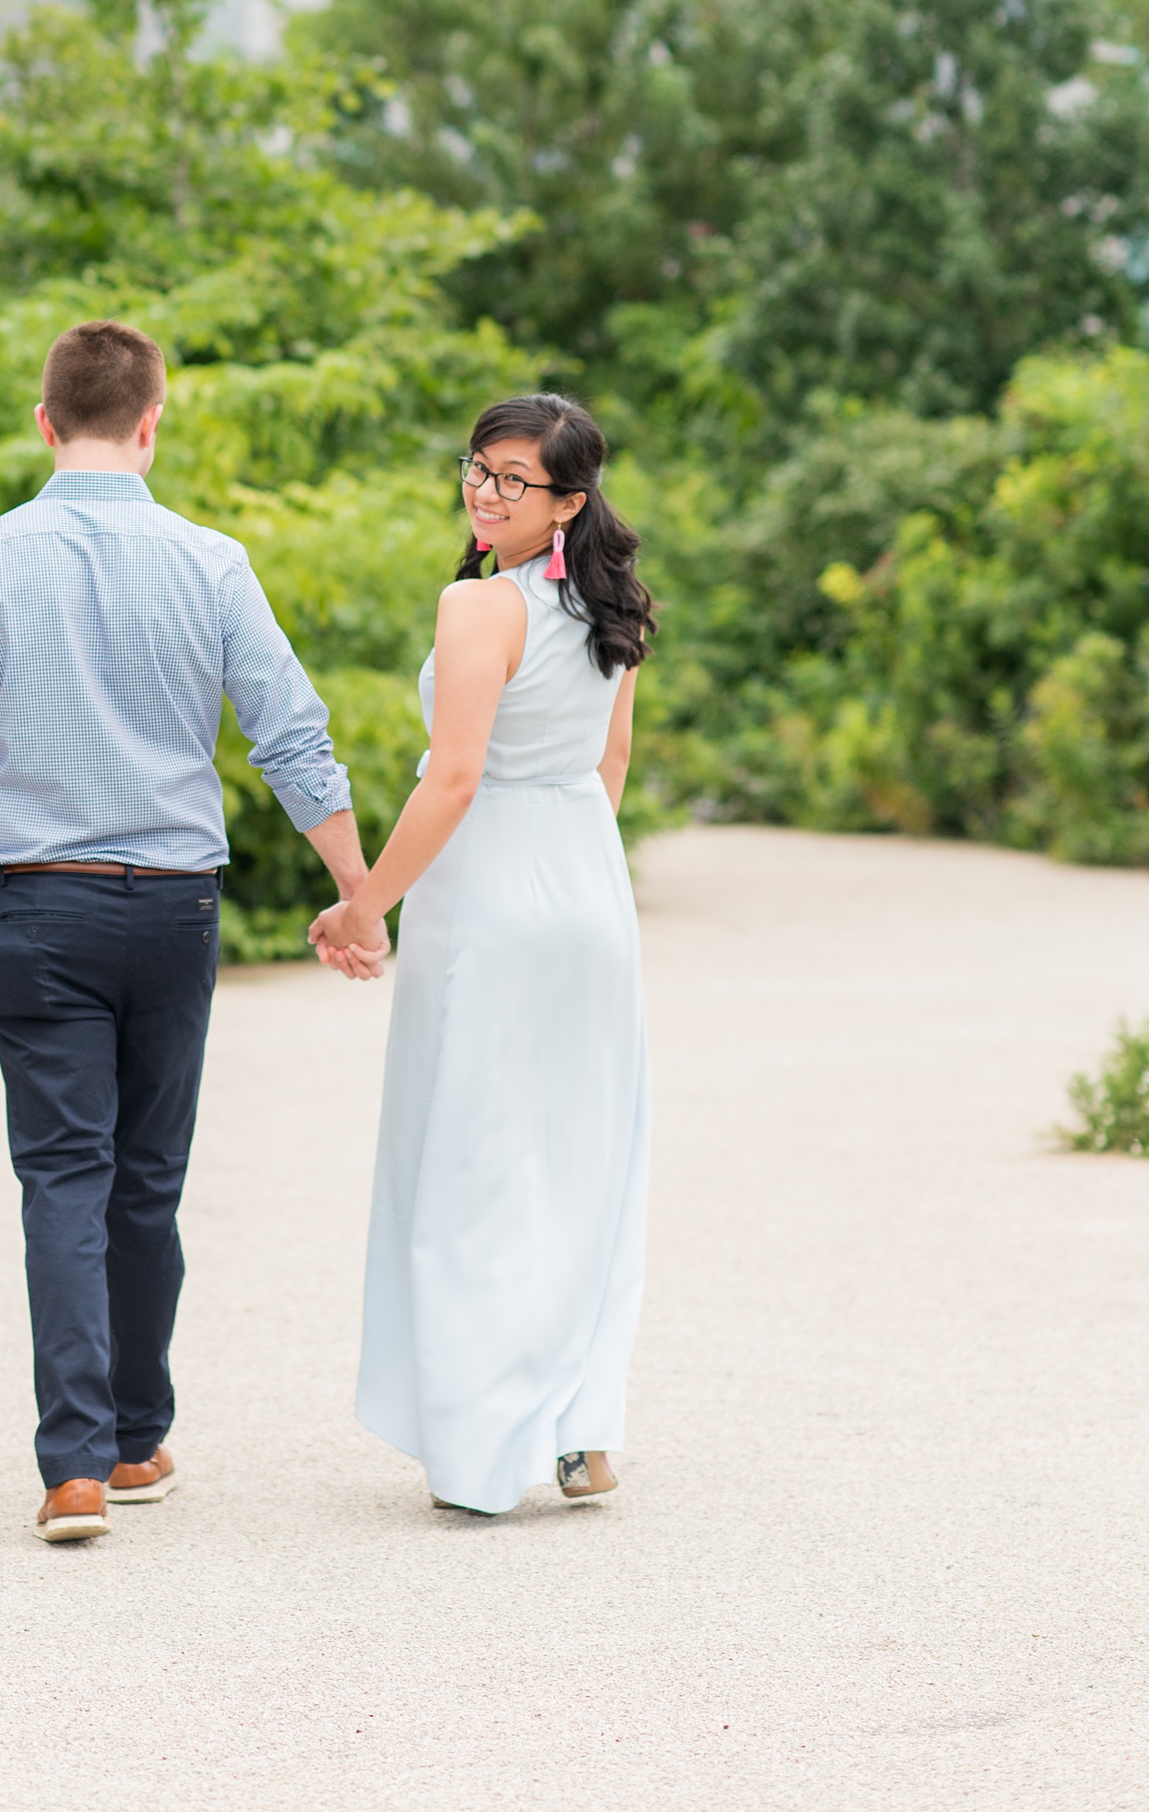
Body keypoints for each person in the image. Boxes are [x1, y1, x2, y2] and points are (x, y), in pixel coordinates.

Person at [0, 319, 384, 1544]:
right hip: (174, 904)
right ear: (153, 420)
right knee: (147, 1182)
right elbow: (291, 733)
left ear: (45, 420)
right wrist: (359, 889)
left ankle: (71, 1469)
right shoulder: (211, 563)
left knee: (61, 1173)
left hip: (40, 901)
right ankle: (133, 1436)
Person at [310, 392, 654, 1518]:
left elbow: (450, 779)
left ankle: (480, 1447)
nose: (482, 490)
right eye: (476, 467)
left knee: (474, 1164)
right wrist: (569, 865)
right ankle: (579, 1426)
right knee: (577, 1160)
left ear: (566, 500)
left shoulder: (478, 607)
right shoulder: (613, 609)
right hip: (585, 890)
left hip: (493, 899)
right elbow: (607, 768)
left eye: (512, 478)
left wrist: (365, 906)